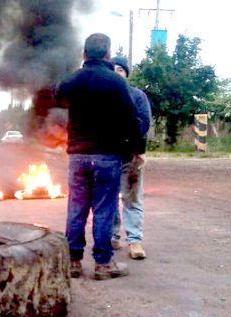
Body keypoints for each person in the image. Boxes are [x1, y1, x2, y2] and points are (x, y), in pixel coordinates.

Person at [56, 33, 146, 280]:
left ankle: (73, 262)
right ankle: (103, 264)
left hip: (77, 156)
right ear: (108, 54)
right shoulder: (117, 83)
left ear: (84, 54)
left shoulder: (72, 81)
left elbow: (57, 96)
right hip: (108, 156)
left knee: (76, 208)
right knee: (104, 210)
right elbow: (132, 117)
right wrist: (138, 149)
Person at [110, 56, 152, 260]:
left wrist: (137, 148)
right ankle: (112, 236)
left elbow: (144, 123)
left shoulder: (138, 96)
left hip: (130, 156)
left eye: (120, 69)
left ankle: (134, 241)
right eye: (112, 69)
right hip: (107, 156)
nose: (116, 72)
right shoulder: (103, 96)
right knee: (108, 199)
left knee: (132, 199)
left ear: (126, 73)